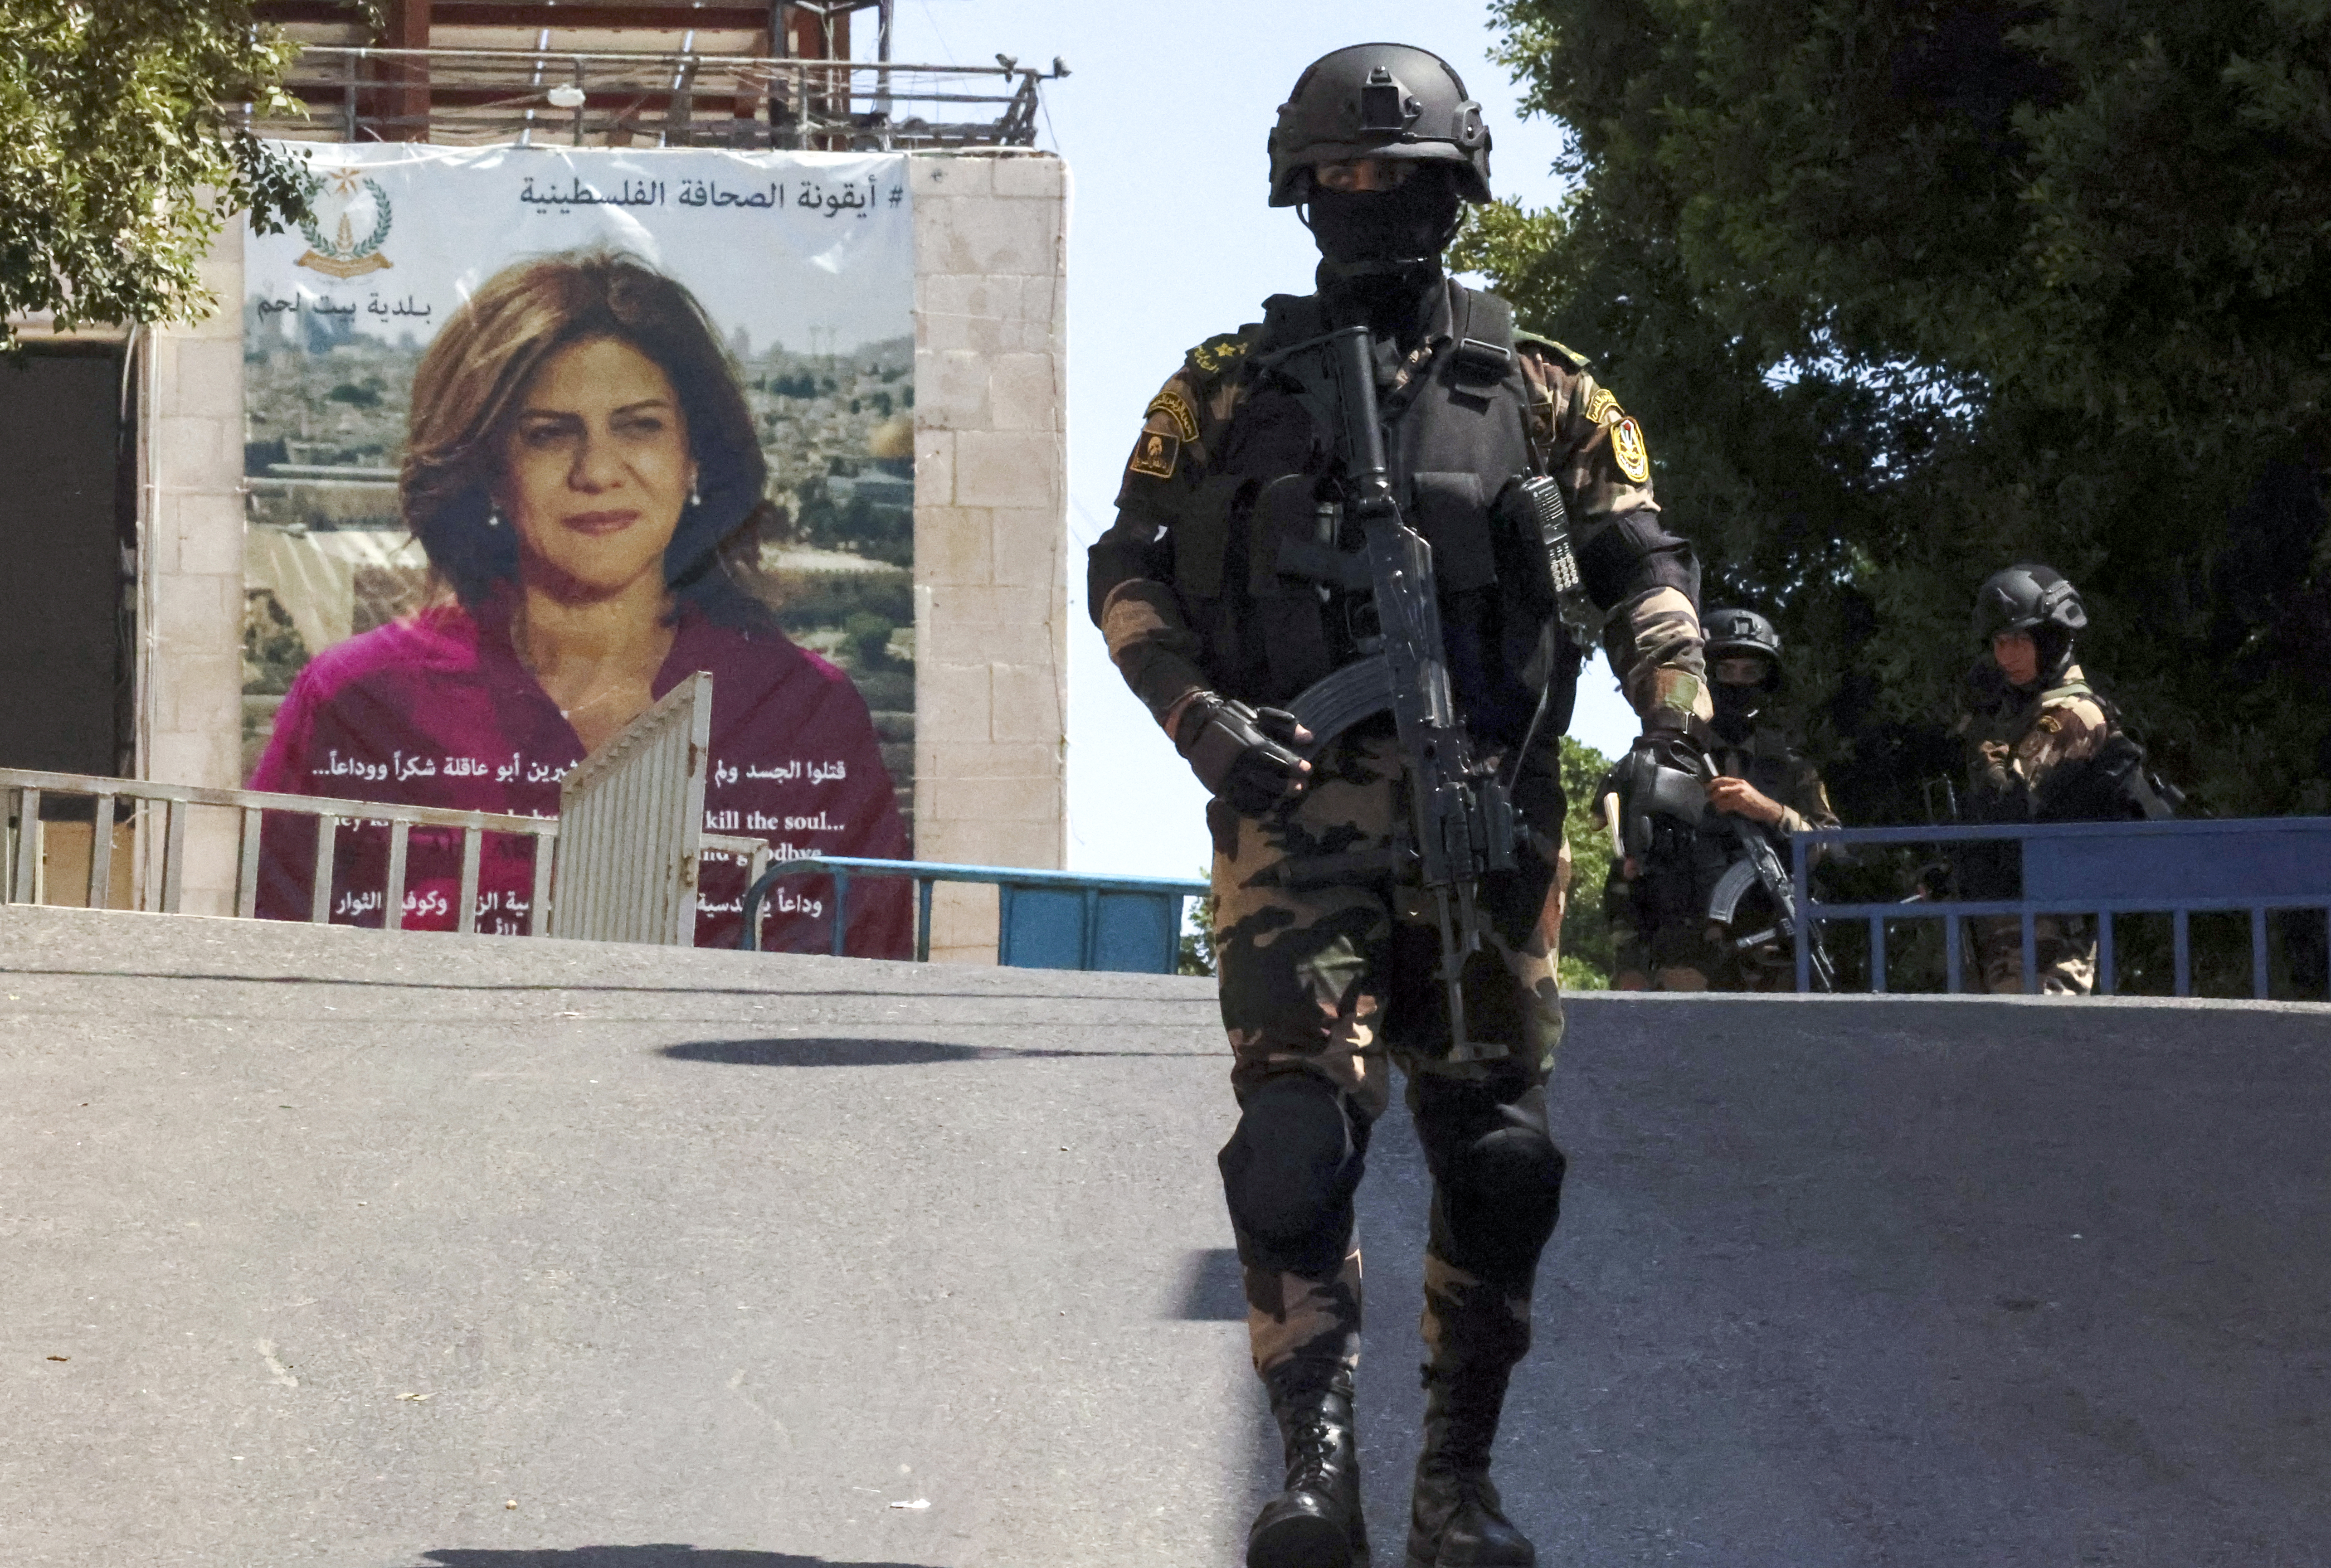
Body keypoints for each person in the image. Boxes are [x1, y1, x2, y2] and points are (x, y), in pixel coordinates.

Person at [1086, 44, 1712, 1568]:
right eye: (1344, 178)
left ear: (1454, 194)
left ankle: (1457, 1484)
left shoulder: (1550, 393)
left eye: (1399, 178)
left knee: (1498, 1155)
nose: (1369, 199)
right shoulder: (1222, 389)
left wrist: (1682, 723)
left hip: (1488, 816)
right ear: (1303, 194)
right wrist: (1195, 714)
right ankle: (1314, 1457)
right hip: (1290, 823)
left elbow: (1641, 564)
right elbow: (1127, 570)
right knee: (1294, 1143)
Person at [248, 250, 910, 955]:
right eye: (548, 434)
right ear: (492, 472)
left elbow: (873, 1002)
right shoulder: (362, 706)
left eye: (639, 425)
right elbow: (271, 982)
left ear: (696, 458)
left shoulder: (801, 717)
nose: (596, 470)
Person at [1599, 607, 1837, 990]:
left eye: (1750, 672)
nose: (1737, 683)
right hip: (1679, 954)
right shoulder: (1666, 762)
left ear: (1766, 680)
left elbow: (1835, 853)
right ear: (1707, 678)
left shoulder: (1793, 772)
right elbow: (1624, 874)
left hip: (1770, 952)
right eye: (1726, 671)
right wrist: (1631, 959)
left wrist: (1769, 811)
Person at [1954, 562, 2146, 993]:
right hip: (2008, 927)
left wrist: (1986, 749)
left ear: (2051, 637)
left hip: (2049, 936)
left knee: (2047, 1054)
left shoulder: (2072, 713)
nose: (2006, 656)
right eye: (2000, 642)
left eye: (2020, 640)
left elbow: (2008, 805)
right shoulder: (2021, 713)